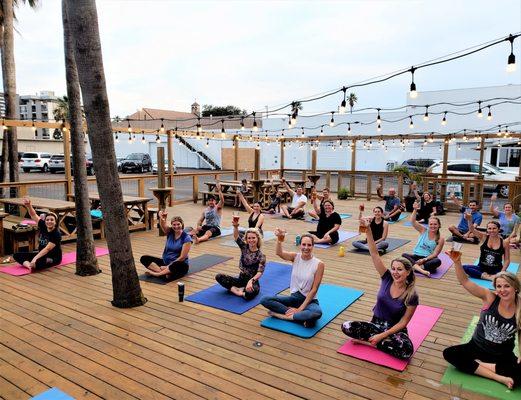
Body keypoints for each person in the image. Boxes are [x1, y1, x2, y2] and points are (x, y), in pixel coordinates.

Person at [341, 218, 419, 359]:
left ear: (408, 272)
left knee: (406, 351)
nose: (395, 272)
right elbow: (374, 253)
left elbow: (403, 322)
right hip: (376, 323)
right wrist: (368, 229)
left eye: (400, 270)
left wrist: (382, 335)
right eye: (393, 268)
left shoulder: (412, 294)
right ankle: (377, 341)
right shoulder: (387, 277)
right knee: (346, 326)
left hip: (394, 330)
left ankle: (371, 342)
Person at [443, 251, 521, 390]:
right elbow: (464, 281)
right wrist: (457, 262)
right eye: (499, 286)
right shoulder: (490, 298)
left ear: (515, 287)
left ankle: (477, 365)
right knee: (449, 353)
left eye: (507, 286)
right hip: (476, 348)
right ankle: (498, 377)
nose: (502, 290)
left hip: (502, 355)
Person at [260, 231, 324, 327]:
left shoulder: (319, 264)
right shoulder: (295, 257)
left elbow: (314, 290)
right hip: (294, 298)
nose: (306, 247)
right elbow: (279, 253)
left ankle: (283, 316)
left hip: (309, 301)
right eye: (304, 244)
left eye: (309, 245)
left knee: (316, 313)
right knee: (264, 299)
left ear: (313, 246)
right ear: (300, 245)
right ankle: (297, 316)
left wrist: (300, 309)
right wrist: (279, 240)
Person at [215, 219, 265, 300]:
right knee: (219, 277)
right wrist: (235, 227)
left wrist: (250, 282)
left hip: (252, 281)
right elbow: (236, 237)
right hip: (241, 279)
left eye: (253, 238)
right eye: (249, 238)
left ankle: (240, 290)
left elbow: (259, 273)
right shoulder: (244, 247)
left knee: (250, 294)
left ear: (258, 239)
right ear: (246, 239)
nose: (251, 240)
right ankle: (237, 291)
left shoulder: (261, 256)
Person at [14, 198, 62, 271]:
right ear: (45, 221)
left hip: (52, 257)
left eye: (52, 220)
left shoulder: (56, 234)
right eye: (47, 220)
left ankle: (33, 264)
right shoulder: (43, 225)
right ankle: (29, 266)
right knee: (16, 255)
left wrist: (35, 258)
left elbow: (47, 249)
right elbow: (33, 215)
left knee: (38, 263)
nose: (49, 221)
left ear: (55, 222)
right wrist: (29, 206)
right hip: (40, 254)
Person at [141, 212, 191, 280]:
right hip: (165, 262)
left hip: (178, 265)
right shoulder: (170, 232)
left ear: (182, 224)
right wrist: (162, 218)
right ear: (171, 225)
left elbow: (182, 257)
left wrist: (168, 266)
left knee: (178, 265)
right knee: (144, 258)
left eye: (178, 224)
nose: (176, 226)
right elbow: (163, 226)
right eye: (174, 225)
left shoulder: (186, 238)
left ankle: (158, 274)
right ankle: (165, 273)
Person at [401, 202, 445, 277]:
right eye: (431, 224)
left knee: (437, 261)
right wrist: (415, 209)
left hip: (427, 259)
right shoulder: (423, 230)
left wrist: (424, 260)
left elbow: (435, 254)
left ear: (439, 225)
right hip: (416, 257)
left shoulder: (441, 238)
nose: (433, 226)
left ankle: (414, 267)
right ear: (428, 225)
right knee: (404, 255)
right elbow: (412, 221)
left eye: (435, 224)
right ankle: (422, 270)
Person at [462, 216, 510, 281]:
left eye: (494, 228)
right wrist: (470, 219)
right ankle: (487, 277)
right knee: (463, 267)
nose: (491, 230)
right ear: (487, 229)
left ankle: (486, 275)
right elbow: (472, 229)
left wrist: (501, 272)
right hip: (482, 268)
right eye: (489, 228)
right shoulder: (484, 237)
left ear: (498, 229)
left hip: (496, 269)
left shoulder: (504, 243)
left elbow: (507, 260)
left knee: (505, 277)